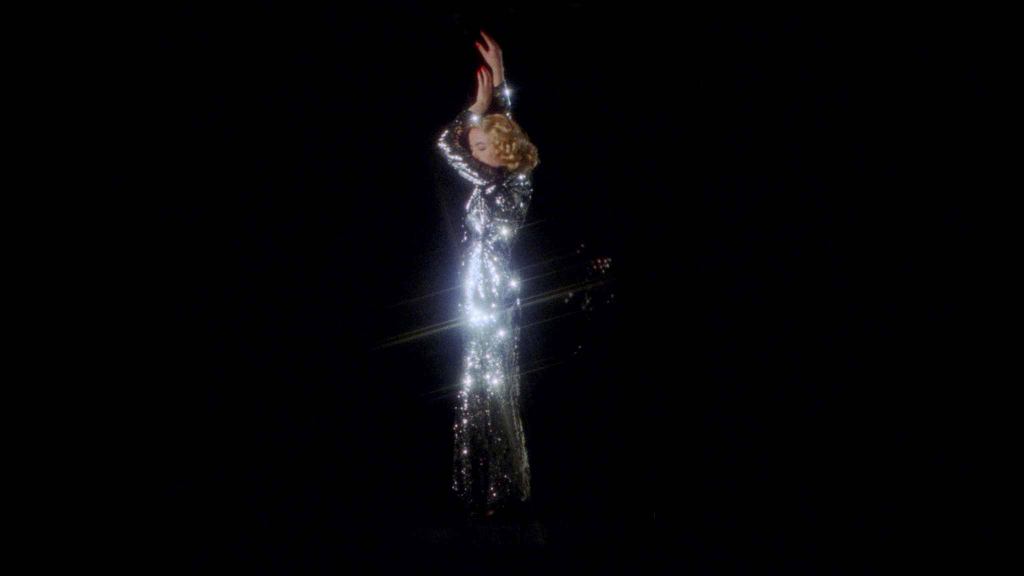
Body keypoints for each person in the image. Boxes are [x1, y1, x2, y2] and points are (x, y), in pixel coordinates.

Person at [435, 31, 540, 520]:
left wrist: (479, 108)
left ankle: (502, 490)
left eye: (481, 146)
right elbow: (491, 130)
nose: (473, 152)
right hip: (479, 296)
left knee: (495, 390)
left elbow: (448, 144)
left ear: (501, 150)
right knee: (480, 389)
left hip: (493, 297)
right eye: (473, 147)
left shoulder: (507, 183)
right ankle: (482, 486)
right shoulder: (498, 178)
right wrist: (496, 80)